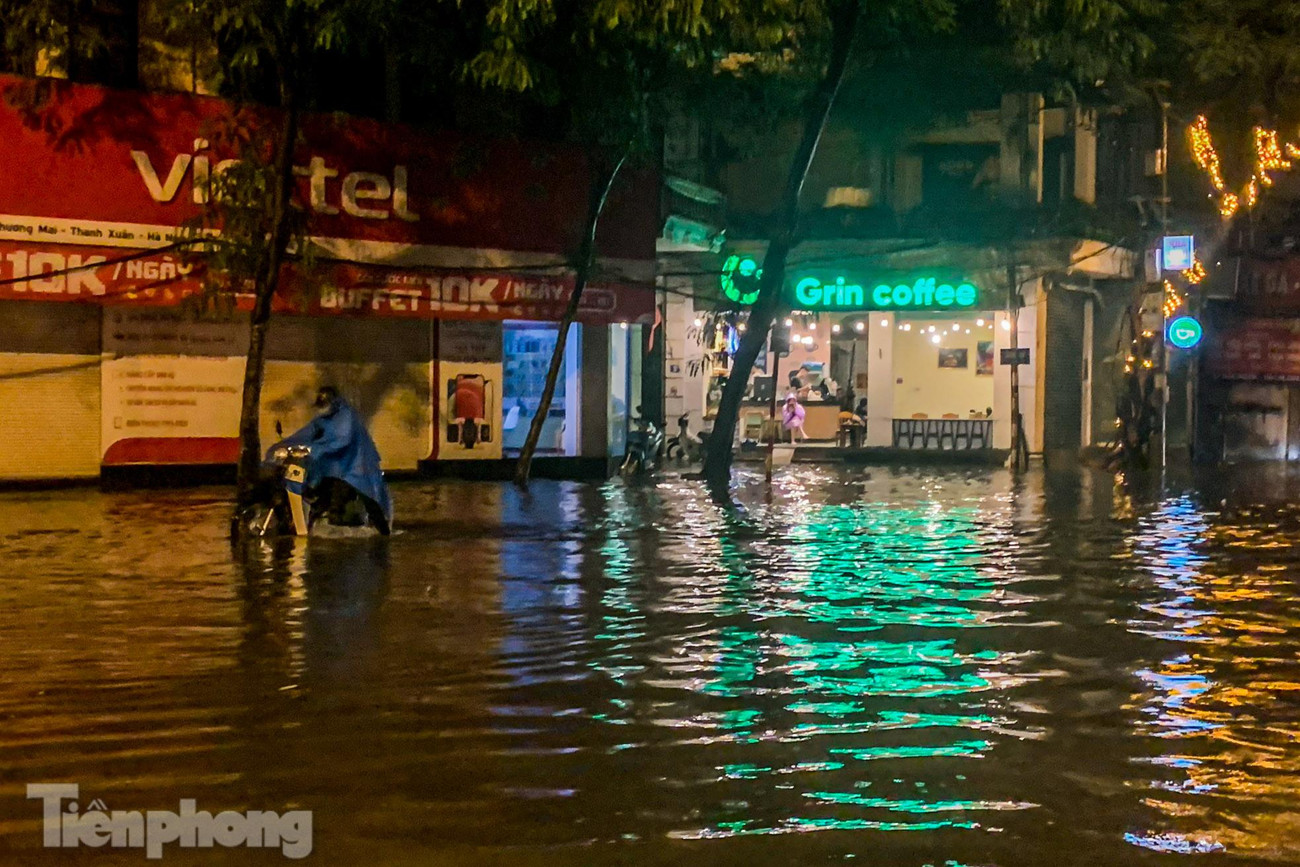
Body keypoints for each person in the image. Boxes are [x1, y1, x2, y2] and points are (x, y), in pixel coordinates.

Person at [268, 386, 393, 534]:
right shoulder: (323, 419)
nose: (321, 409)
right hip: (332, 466)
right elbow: (306, 434)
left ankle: (383, 533)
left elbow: (342, 440)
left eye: (324, 405)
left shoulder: (346, 416)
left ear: (333, 403)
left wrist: (312, 449)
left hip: (356, 465)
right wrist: (285, 446)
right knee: (319, 494)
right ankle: (306, 524)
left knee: (367, 497)